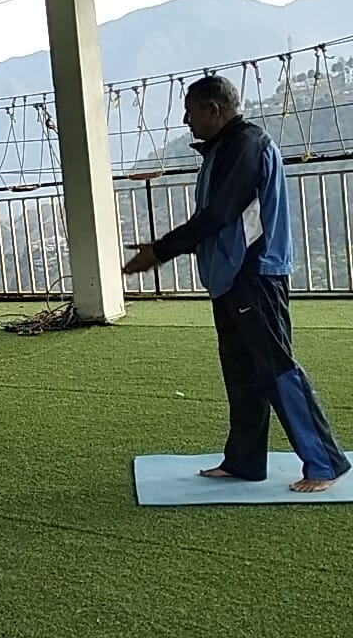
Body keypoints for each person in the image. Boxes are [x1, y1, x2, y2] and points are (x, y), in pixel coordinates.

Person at [123, 74, 349, 493]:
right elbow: (223, 223)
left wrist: (160, 251)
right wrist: (168, 247)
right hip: (231, 274)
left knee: (276, 367)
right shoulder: (224, 148)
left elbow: (221, 215)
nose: (186, 122)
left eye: (190, 113)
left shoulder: (246, 144)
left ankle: (324, 461)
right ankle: (244, 461)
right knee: (241, 371)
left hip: (255, 273)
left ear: (213, 110)